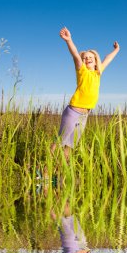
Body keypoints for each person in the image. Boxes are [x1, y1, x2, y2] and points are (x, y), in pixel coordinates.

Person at [51, 27, 120, 162]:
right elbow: (76, 55)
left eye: (91, 57)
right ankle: (44, 174)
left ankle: (59, 173)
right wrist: (69, 40)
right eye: (86, 58)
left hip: (84, 115)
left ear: (95, 61)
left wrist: (116, 50)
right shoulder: (82, 71)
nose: (88, 59)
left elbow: (107, 59)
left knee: (70, 146)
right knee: (60, 141)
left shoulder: (98, 73)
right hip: (73, 111)